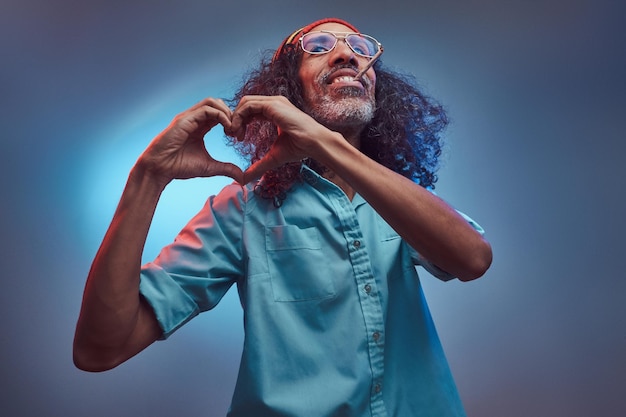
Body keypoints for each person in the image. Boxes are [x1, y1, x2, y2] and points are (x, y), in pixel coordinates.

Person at [73, 17, 492, 417]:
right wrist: (147, 177)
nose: (346, 54)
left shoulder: (399, 199)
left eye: (360, 48)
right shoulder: (240, 209)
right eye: (319, 47)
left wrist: (326, 144)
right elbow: (100, 349)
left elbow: (472, 259)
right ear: (289, 92)